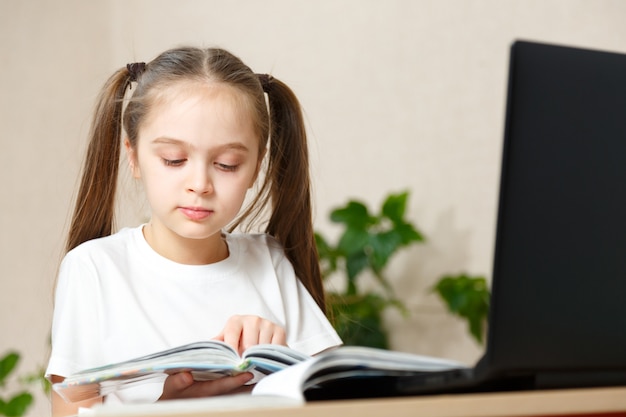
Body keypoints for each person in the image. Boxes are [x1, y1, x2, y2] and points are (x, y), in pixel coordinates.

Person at [46, 46, 342, 416]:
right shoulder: (95, 269)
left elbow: (336, 399)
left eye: (227, 164)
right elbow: (69, 411)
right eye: (174, 160)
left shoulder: (269, 262)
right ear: (134, 156)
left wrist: (284, 362)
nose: (200, 184)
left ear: (256, 166)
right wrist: (167, 408)